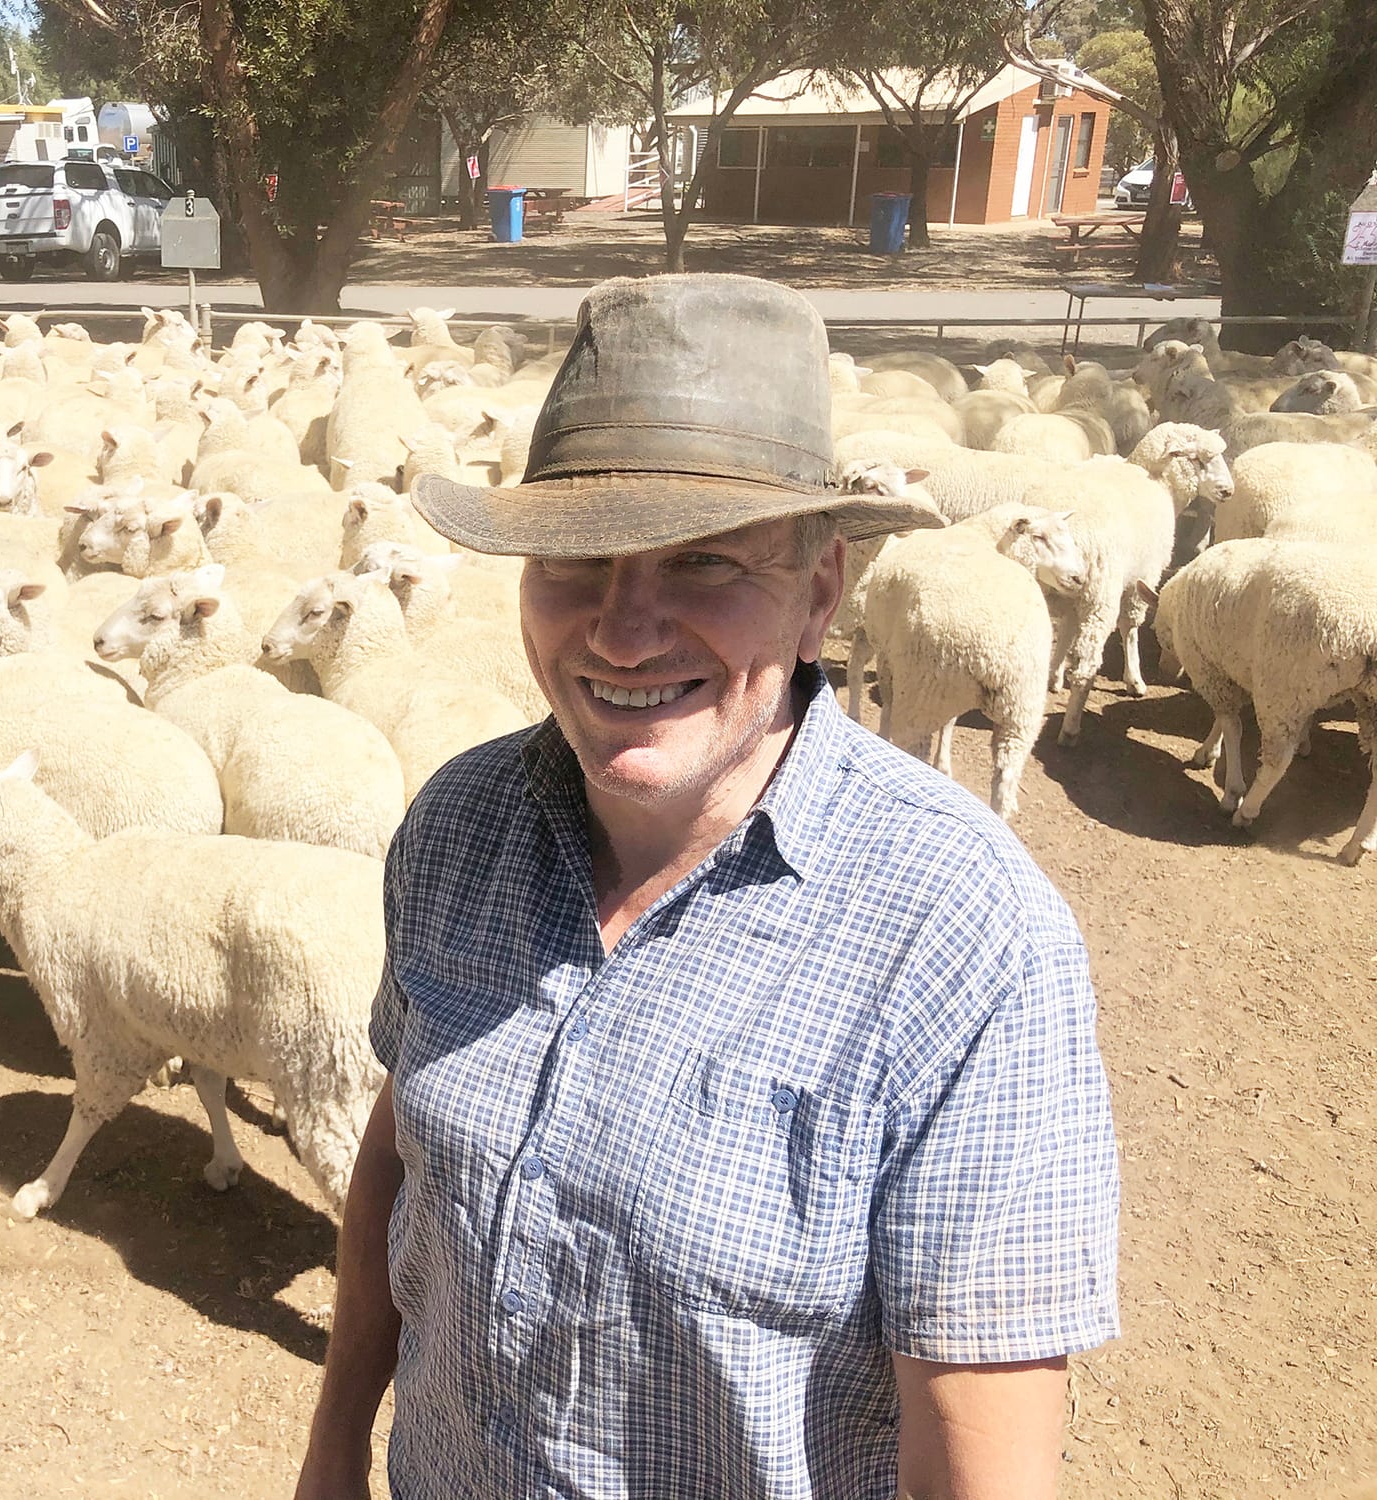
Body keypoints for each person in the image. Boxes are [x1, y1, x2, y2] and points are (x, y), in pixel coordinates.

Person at [293, 274, 1119, 1500]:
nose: (625, 633)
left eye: (703, 565)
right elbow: (400, 1152)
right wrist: (331, 1453)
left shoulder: (962, 939)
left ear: (820, 591)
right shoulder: (457, 827)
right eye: (576, 564)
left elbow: (979, 1465)